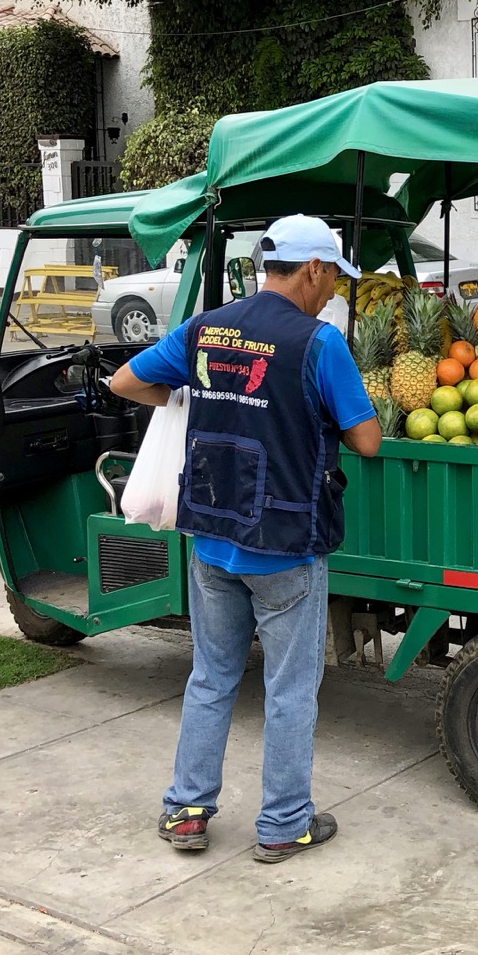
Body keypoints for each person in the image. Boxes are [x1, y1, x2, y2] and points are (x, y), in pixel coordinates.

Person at [110, 214, 381, 863]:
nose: (332, 294)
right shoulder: (319, 344)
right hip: (286, 542)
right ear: (312, 270)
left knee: (212, 676)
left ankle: (186, 811)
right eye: (332, 280)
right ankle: (285, 822)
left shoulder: (207, 329)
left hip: (211, 538)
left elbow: (125, 381)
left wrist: (191, 398)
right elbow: (366, 440)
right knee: (289, 689)